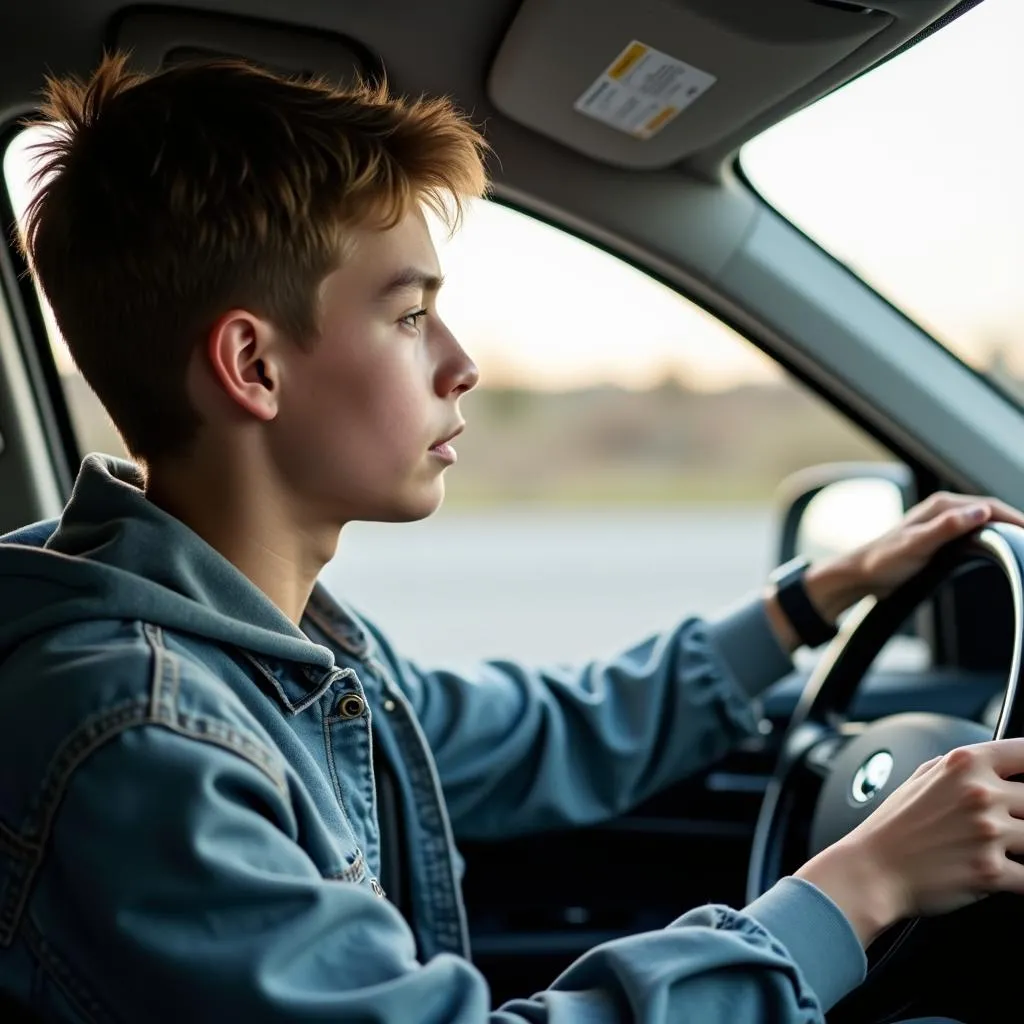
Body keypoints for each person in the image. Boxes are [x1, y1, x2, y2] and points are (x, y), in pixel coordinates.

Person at [0, 53, 1020, 1024]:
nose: (462, 364)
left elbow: (548, 732)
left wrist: (809, 600)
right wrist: (861, 883)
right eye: (409, 316)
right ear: (252, 366)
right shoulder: (142, 743)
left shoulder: (278, 645)